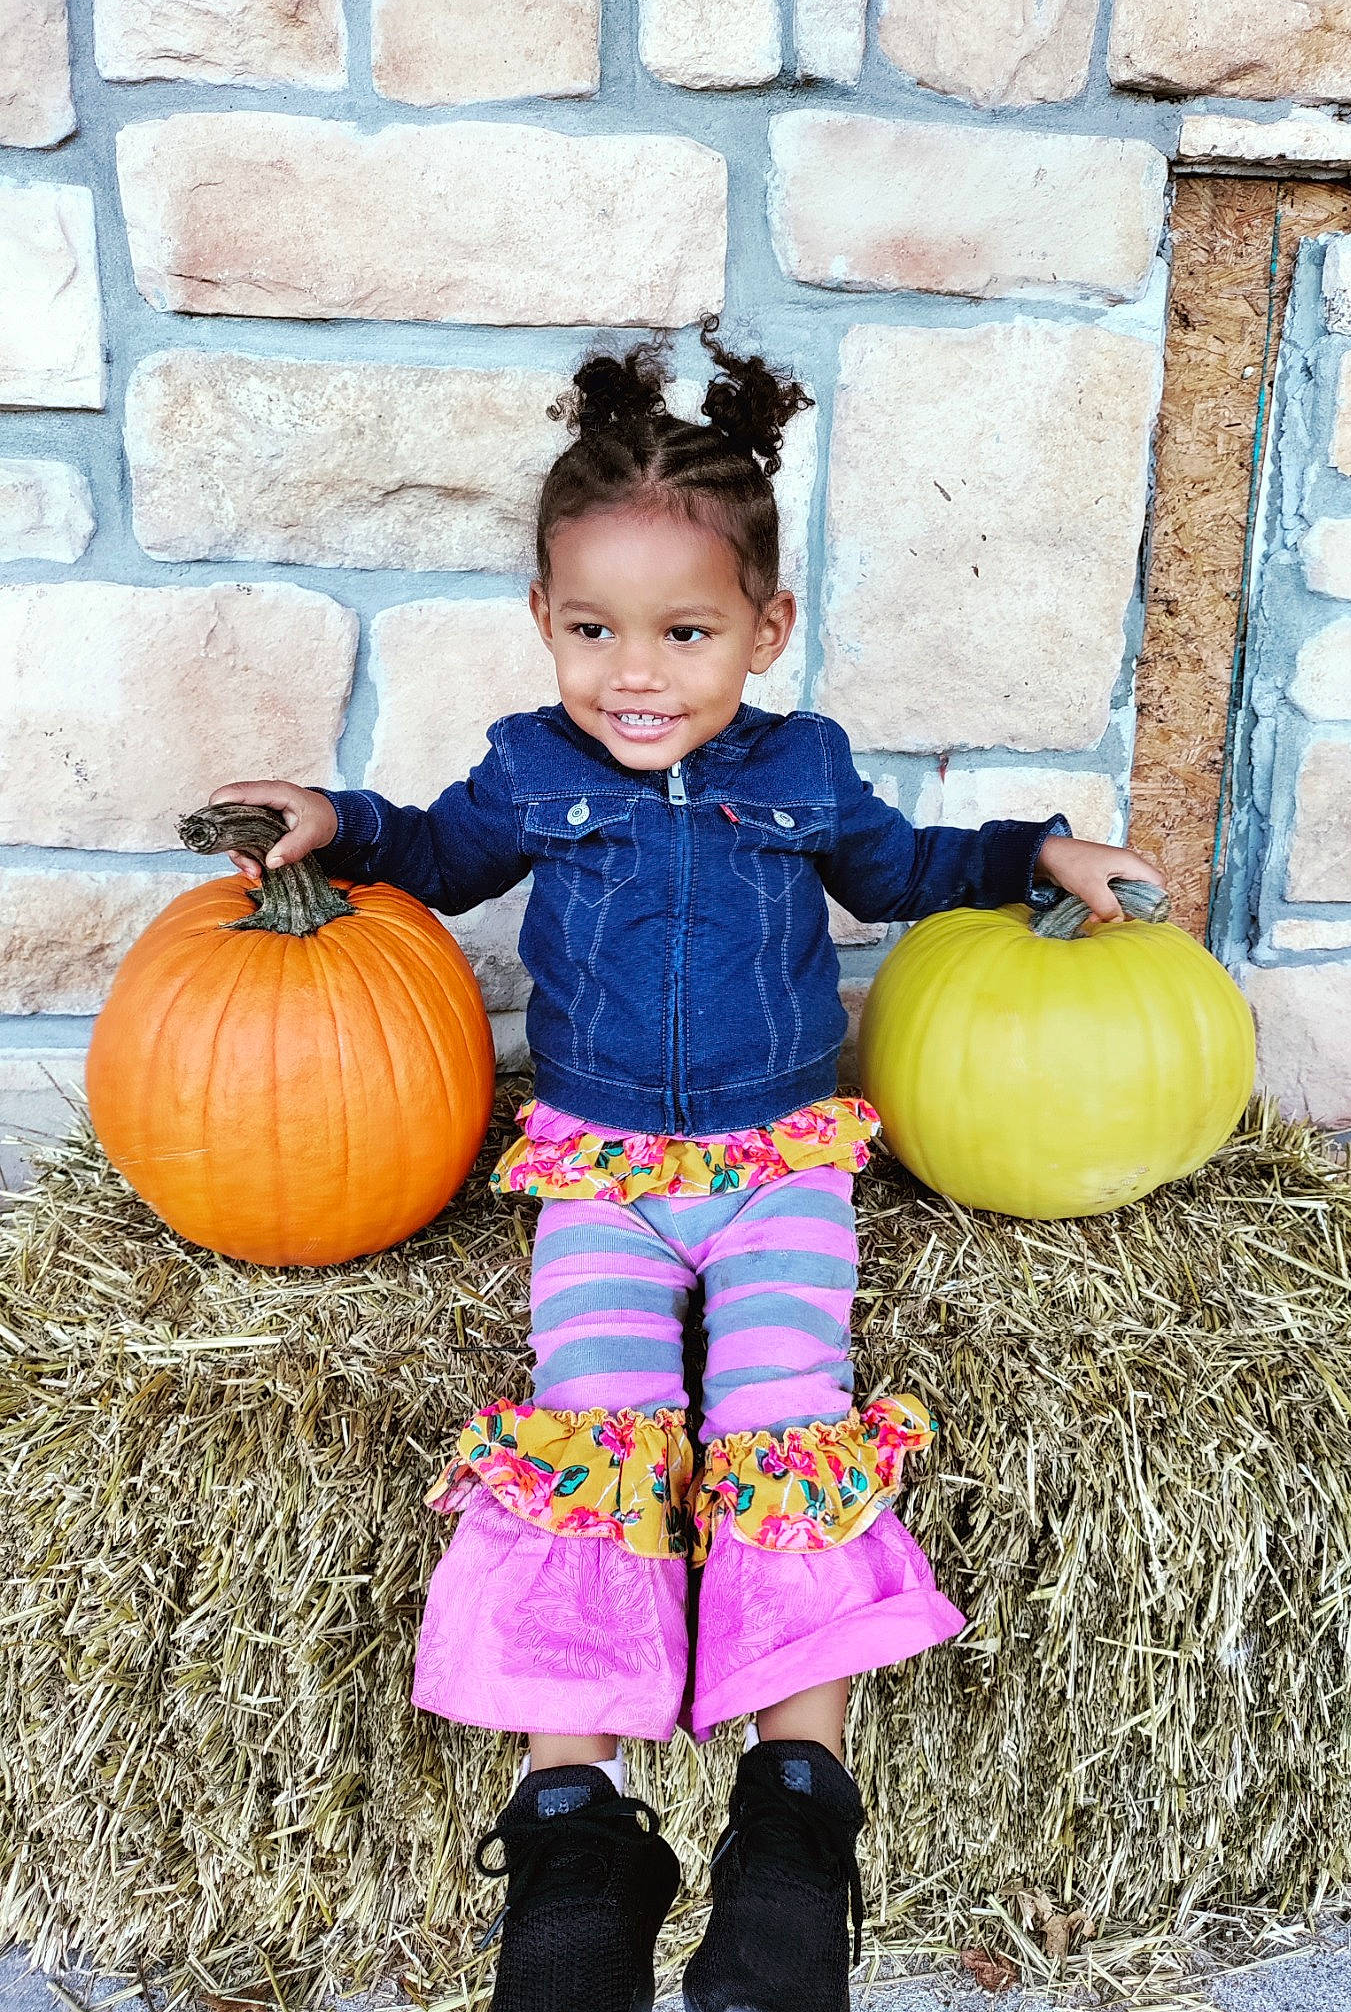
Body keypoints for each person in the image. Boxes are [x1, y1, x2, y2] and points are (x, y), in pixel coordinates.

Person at [208, 317, 1161, 2012]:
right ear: (543, 625)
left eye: (683, 630)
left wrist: (1033, 849)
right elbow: (431, 853)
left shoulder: (800, 770)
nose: (631, 672)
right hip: (601, 1175)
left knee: (783, 1411)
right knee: (589, 1429)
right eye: (591, 630)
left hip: (775, 1163)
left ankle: (794, 1826)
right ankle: (575, 1836)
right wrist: (336, 827)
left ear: (763, 629)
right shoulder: (534, 768)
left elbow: (899, 866)